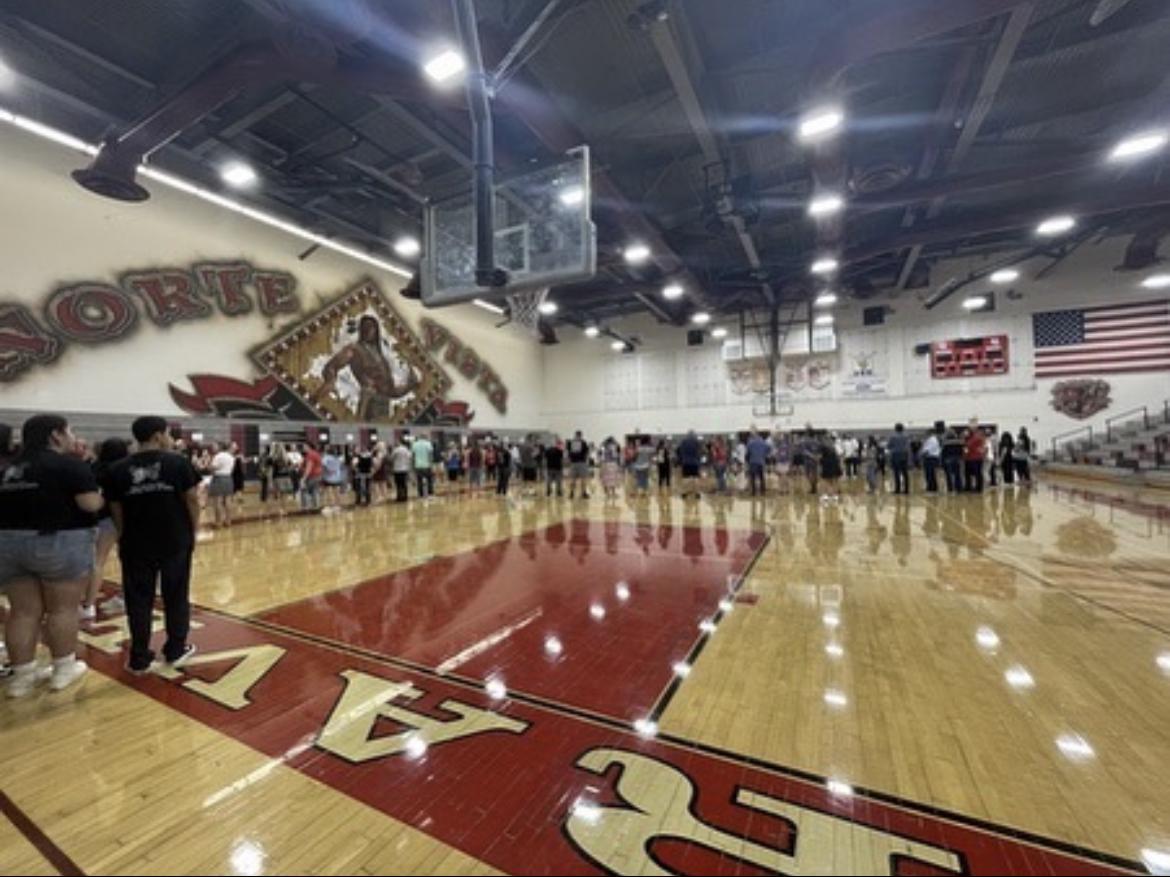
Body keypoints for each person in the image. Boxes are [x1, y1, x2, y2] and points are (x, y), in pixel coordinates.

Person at [1, 414, 102, 697]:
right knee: (62, 609)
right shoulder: (68, 465)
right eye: (69, 431)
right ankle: (63, 670)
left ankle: (22, 678)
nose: (72, 437)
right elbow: (90, 503)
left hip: (7, 544)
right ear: (56, 435)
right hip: (57, 541)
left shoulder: (9, 468)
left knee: (22, 612)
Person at [105, 416, 200, 675]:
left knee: (138, 600)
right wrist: (192, 530)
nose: (170, 439)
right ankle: (175, 649)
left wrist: (123, 535)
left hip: (135, 543)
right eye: (168, 434)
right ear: (158, 436)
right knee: (176, 595)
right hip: (174, 540)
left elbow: (116, 509)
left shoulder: (117, 469)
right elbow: (191, 499)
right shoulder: (178, 463)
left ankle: (139, 657)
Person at [312, 315, 419, 419]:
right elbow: (331, 366)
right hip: (368, 402)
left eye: (371, 327)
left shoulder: (381, 358)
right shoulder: (355, 349)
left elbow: (390, 391)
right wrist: (330, 381)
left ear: (376, 330)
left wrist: (409, 386)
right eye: (365, 326)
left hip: (383, 408)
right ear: (361, 329)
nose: (368, 330)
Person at [82, 438, 130, 620]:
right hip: (116, 519)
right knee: (124, 560)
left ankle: (89, 603)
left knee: (97, 560)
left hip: (96, 519)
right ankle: (93, 604)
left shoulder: (92, 468)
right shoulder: (123, 470)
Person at [677, 430, 703, 499]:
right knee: (696, 478)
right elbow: (699, 453)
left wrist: (681, 460)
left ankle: (684, 493)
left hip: (686, 462)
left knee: (685, 478)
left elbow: (681, 452)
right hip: (695, 463)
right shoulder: (696, 442)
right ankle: (697, 493)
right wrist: (699, 462)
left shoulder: (683, 442)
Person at [887, 423, 911, 495]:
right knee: (905, 473)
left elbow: (889, 446)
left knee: (896, 473)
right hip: (904, 455)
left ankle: (898, 489)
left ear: (896, 429)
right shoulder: (906, 436)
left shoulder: (893, 437)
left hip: (895, 455)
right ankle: (906, 489)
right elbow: (908, 446)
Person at [567, 431, 590, 499]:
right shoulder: (583, 443)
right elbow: (587, 452)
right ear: (581, 435)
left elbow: (568, 453)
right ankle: (583, 493)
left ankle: (571, 493)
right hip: (582, 462)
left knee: (573, 479)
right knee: (583, 479)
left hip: (573, 463)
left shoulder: (570, 443)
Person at [410, 434, 434, 499]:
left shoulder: (414, 444)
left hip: (418, 465)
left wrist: (413, 465)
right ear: (425, 437)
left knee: (419, 481)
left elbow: (413, 456)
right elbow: (430, 455)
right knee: (429, 480)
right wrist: (431, 464)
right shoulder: (428, 444)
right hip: (427, 465)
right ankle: (430, 494)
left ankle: (420, 495)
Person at [746, 430, 769, 497]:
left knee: (753, 477)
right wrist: (764, 454)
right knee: (761, 477)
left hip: (753, 462)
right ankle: (763, 491)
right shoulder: (763, 442)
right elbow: (769, 448)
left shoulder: (750, 443)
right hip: (761, 462)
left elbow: (748, 452)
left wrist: (748, 459)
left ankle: (753, 492)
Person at [964, 427, 986, 493]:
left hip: (973, 458)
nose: (965, 433)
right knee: (977, 473)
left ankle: (975, 487)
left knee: (974, 473)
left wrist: (965, 452)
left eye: (966, 432)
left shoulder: (972, 439)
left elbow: (967, 448)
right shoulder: (978, 438)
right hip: (976, 458)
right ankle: (977, 487)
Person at [941, 427, 964, 493]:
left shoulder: (945, 442)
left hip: (948, 460)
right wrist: (961, 458)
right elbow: (961, 451)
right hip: (957, 459)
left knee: (949, 475)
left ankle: (950, 488)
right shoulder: (959, 442)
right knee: (958, 474)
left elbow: (943, 452)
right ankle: (959, 488)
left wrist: (942, 462)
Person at [301, 443, 322, 510]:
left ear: (308, 446)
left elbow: (309, 467)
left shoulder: (310, 455)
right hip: (318, 475)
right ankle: (315, 507)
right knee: (315, 491)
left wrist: (304, 478)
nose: (303, 448)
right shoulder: (316, 453)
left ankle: (306, 507)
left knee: (304, 490)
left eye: (304, 446)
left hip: (312, 476)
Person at [921, 427, 941, 494]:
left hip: (931, 458)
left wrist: (922, 455)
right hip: (930, 458)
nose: (926, 434)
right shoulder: (930, 439)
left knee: (930, 473)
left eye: (927, 432)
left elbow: (928, 450)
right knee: (930, 473)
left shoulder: (932, 440)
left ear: (931, 433)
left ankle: (931, 487)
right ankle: (932, 486)